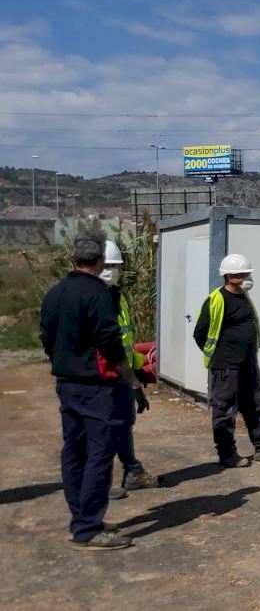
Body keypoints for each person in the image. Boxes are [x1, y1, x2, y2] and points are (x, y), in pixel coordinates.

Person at [41, 232, 150, 550]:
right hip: (99, 387)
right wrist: (131, 379)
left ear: (72, 258)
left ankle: (81, 519)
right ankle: (88, 528)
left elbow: (46, 337)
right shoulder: (98, 294)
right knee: (100, 454)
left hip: (67, 384)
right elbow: (110, 343)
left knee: (74, 451)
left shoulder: (55, 293)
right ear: (100, 260)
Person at [192, 253, 260, 467]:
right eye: (244, 274)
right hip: (226, 366)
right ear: (230, 277)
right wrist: (219, 354)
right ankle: (227, 454)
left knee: (255, 406)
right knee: (225, 411)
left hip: (248, 363)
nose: (248, 278)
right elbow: (200, 333)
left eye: (247, 273)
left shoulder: (244, 296)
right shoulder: (217, 299)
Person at [99, 240, 159, 500]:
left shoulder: (116, 295)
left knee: (123, 423)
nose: (111, 271)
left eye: (115, 266)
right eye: (107, 266)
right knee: (105, 429)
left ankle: (133, 471)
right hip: (103, 375)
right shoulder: (94, 299)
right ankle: (99, 485)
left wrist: (136, 371)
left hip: (121, 372)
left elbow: (124, 340)